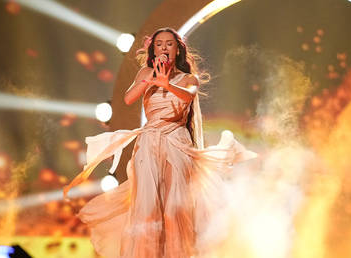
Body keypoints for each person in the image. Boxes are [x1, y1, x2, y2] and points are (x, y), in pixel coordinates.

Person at [63, 27, 257, 258]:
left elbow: (189, 95)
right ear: (153, 50)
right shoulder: (146, 72)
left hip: (177, 143)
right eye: (159, 44)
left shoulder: (188, 78)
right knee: (147, 205)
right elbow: (128, 98)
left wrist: (167, 84)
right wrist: (150, 80)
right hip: (148, 142)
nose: (164, 47)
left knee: (175, 207)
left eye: (169, 44)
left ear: (178, 49)